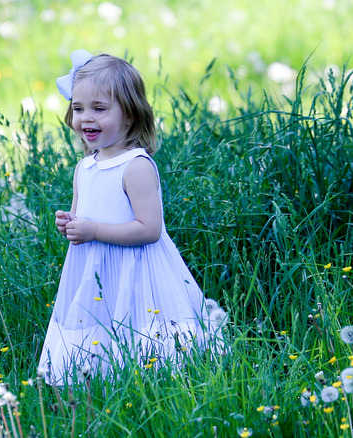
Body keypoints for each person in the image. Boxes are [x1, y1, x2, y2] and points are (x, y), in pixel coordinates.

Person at [38, 49, 225, 385]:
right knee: (98, 329)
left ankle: (153, 384)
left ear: (129, 115)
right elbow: (84, 215)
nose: (85, 118)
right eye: (78, 108)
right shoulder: (85, 167)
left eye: (99, 108)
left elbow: (149, 229)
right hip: (94, 270)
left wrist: (93, 229)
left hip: (136, 270)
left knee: (140, 329)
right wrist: (71, 224)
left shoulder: (135, 166)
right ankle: (97, 383)